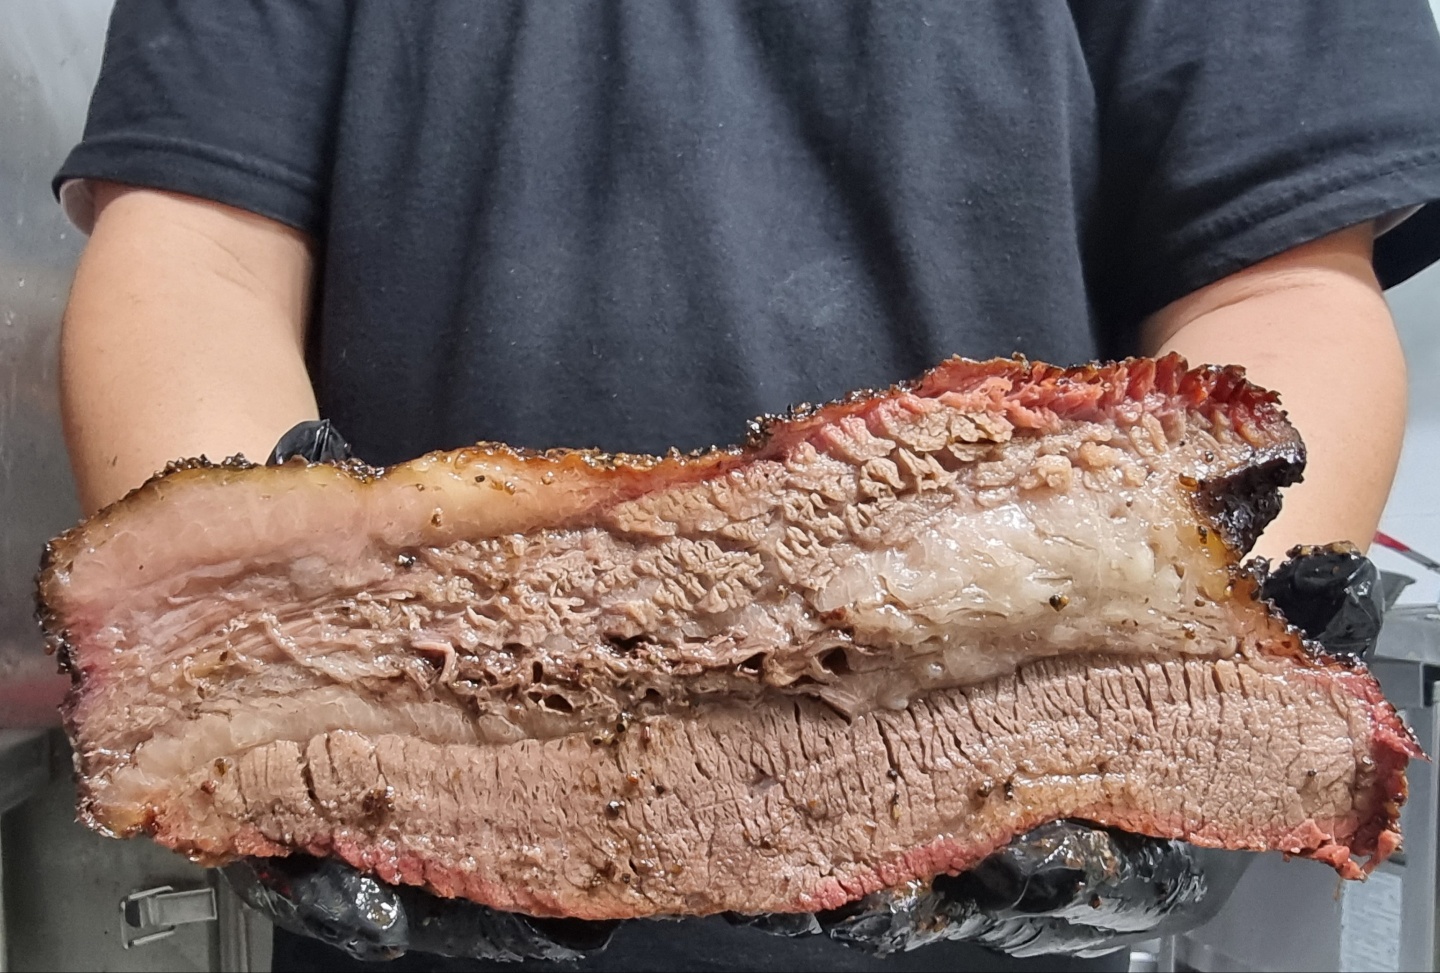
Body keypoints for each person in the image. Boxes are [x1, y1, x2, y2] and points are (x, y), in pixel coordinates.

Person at [52, 2, 1440, 971]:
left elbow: (1282, 284)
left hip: (999, 894)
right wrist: (244, 654)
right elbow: (194, 253)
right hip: (392, 859)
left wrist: (1204, 691)